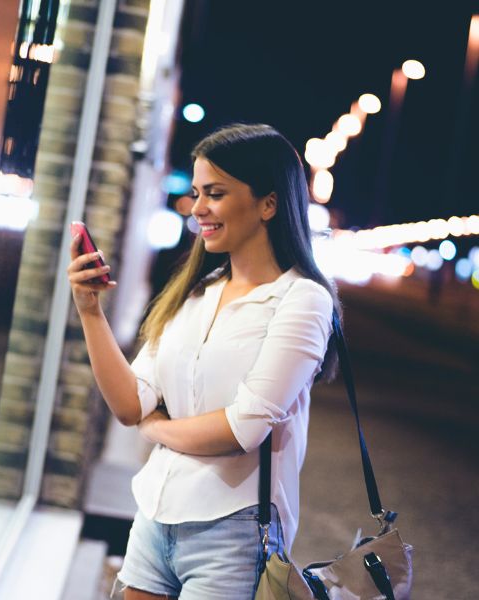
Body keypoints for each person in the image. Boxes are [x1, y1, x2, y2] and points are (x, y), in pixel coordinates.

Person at [67, 123, 341, 600]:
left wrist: (156, 431)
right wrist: (90, 311)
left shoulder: (302, 300)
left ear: (268, 204)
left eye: (214, 193)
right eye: (196, 193)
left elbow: (242, 430)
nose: (197, 209)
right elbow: (130, 403)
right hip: (155, 514)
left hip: (233, 532)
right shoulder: (196, 291)